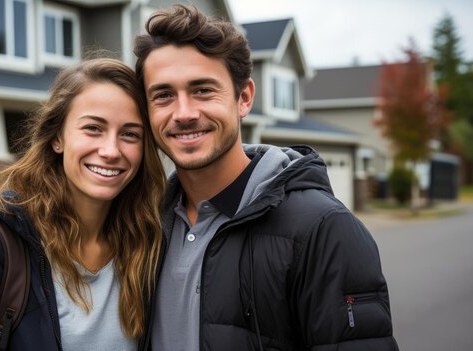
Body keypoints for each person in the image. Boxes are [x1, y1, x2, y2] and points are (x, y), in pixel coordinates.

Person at [133, 4, 399, 351]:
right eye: (164, 95)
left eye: (202, 90)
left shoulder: (324, 228)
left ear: (244, 98)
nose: (184, 113)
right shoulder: (143, 225)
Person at [0, 58, 166, 350]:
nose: (111, 150)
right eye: (93, 128)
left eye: (130, 134)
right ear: (57, 138)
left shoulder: (149, 243)